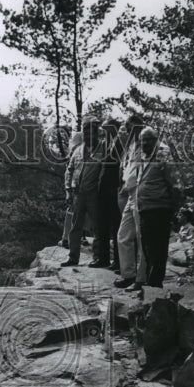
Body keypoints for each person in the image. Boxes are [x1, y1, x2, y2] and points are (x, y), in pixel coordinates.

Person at [135, 126, 182, 289]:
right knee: (148, 248)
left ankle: (155, 285)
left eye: (149, 139)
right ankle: (151, 282)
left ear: (156, 140)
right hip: (145, 208)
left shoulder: (163, 155)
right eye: (143, 140)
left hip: (159, 208)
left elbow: (174, 183)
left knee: (158, 248)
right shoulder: (144, 156)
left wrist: (174, 208)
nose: (145, 142)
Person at [62, 115, 106, 268]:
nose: (88, 136)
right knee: (75, 226)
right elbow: (69, 170)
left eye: (91, 133)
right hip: (78, 193)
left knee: (97, 226)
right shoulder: (78, 150)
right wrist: (68, 190)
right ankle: (73, 257)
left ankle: (98, 257)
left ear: (96, 133)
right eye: (85, 133)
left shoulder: (103, 148)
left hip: (95, 193)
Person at [114, 114, 147, 290]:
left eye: (133, 128)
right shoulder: (131, 146)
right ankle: (128, 274)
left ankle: (140, 279)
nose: (130, 132)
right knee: (123, 235)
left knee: (141, 237)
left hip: (141, 194)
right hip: (129, 193)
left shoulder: (150, 145)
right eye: (128, 129)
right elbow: (127, 168)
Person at [97, 118, 123, 272]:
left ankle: (118, 261)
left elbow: (118, 167)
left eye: (107, 129)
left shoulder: (119, 144)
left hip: (113, 189)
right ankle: (104, 258)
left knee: (116, 225)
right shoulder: (108, 144)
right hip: (104, 189)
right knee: (103, 225)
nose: (104, 132)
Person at [59, 130, 83, 249]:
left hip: (80, 186)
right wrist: (68, 189)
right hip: (75, 187)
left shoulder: (79, 152)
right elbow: (68, 173)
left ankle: (76, 237)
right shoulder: (75, 153)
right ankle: (66, 238)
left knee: (78, 213)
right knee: (72, 212)